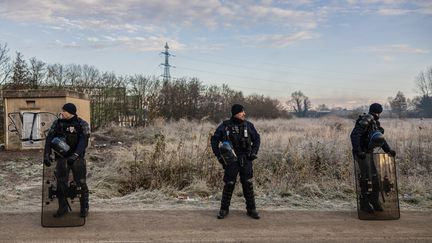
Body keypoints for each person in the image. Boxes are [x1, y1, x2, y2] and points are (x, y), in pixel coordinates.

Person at [211, 104, 261, 219]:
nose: (244, 114)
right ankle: (224, 210)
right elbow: (214, 140)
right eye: (242, 112)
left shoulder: (248, 125)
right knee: (229, 184)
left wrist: (254, 152)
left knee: (248, 184)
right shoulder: (225, 126)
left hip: (246, 158)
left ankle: (251, 210)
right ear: (236, 113)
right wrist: (219, 156)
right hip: (231, 159)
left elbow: (257, 139)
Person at [43, 103, 90, 218]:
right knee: (61, 183)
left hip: (77, 158)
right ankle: (62, 208)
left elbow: (84, 141)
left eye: (64, 111)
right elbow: (49, 138)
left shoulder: (82, 124)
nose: (62, 113)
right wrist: (47, 153)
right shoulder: (58, 123)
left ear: (70, 112)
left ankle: (84, 207)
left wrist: (75, 155)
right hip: (62, 158)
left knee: (81, 182)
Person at [350, 103, 396, 213]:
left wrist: (388, 150)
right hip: (361, 153)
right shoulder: (366, 119)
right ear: (378, 112)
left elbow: (380, 139)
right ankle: (364, 204)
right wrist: (358, 151)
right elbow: (354, 135)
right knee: (366, 178)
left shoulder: (375, 123)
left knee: (375, 177)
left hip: (368, 153)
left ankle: (374, 201)